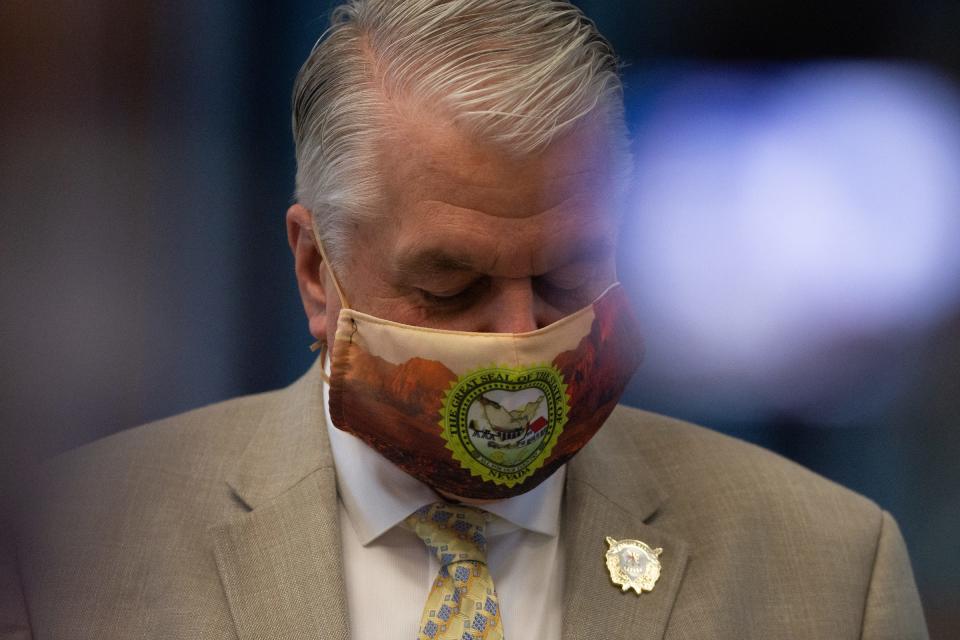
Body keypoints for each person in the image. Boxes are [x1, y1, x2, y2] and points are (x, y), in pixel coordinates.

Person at [1, 1, 929, 638]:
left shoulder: (834, 571)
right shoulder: (69, 555)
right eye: (449, 287)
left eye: (567, 276)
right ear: (315, 269)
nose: (519, 339)